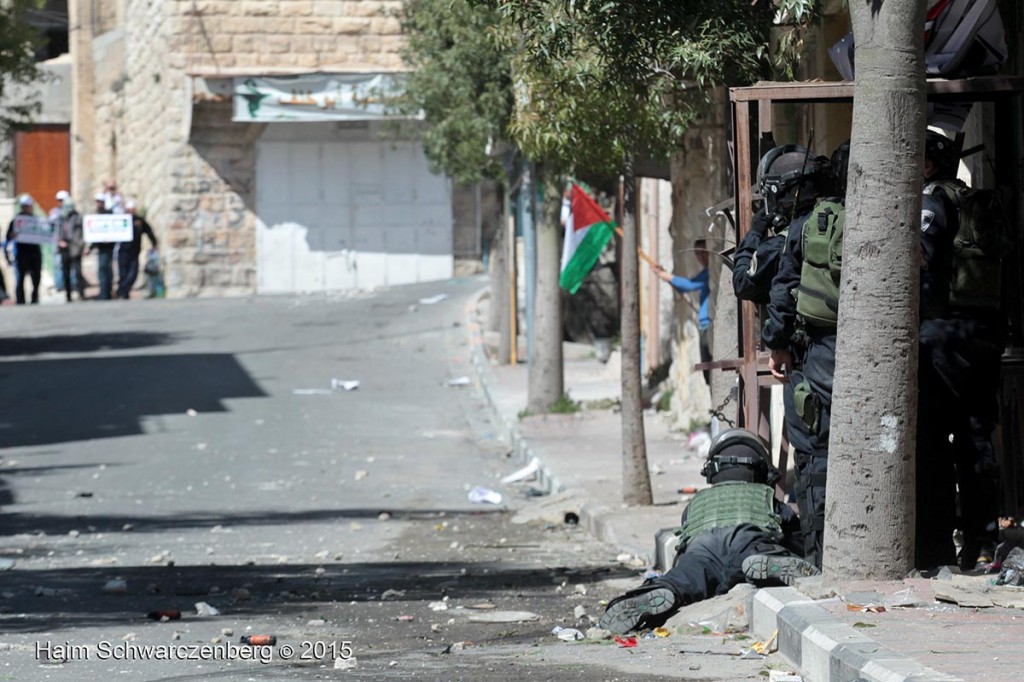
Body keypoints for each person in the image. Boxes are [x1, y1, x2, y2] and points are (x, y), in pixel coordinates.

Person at [599, 429, 818, 634]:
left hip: (703, 549)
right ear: (761, 469)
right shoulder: (766, 496)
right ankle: (768, 564)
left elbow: (685, 538)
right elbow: (794, 535)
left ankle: (660, 591)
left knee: (684, 579)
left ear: (712, 472)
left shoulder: (696, 502)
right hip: (749, 543)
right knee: (762, 557)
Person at [916, 129, 1005, 570]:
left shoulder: (931, 203)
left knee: (932, 443)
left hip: (941, 336)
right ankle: (982, 543)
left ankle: (934, 546)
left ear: (929, 164)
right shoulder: (975, 203)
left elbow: (920, 258)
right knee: (976, 439)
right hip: (983, 334)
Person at [758, 144, 839, 568]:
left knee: (814, 454)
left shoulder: (807, 227)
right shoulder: (869, 214)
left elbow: (782, 292)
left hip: (817, 354)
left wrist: (777, 343)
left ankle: (820, 555)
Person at [652, 239, 712, 383]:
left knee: (710, 369)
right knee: (707, 371)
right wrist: (666, 276)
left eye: (704, 252)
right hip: (704, 326)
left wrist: (666, 276)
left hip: (709, 326)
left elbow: (688, 285)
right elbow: (686, 284)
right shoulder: (705, 273)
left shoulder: (710, 273)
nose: (701, 256)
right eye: (697, 253)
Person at [4, 195, 43, 304]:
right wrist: (13, 235)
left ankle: (34, 298)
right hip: (22, 253)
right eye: (24, 206)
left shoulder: (36, 220)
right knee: (20, 278)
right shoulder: (16, 221)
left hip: (35, 252)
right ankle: (20, 300)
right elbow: (8, 236)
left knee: (36, 278)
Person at [117, 201, 158, 300]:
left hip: (134, 251)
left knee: (133, 274)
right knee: (123, 273)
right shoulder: (121, 220)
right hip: (122, 250)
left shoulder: (139, 221)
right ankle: (124, 293)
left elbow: (148, 231)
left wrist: (154, 243)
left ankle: (122, 289)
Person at [55, 190, 85, 302]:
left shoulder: (77, 217)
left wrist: (81, 245)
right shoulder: (60, 217)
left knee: (77, 271)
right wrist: (59, 241)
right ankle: (68, 295)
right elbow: (57, 231)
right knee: (65, 272)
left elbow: (82, 233)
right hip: (64, 247)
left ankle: (81, 293)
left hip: (75, 247)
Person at [87, 193, 116, 300]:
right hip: (100, 247)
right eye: (97, 201)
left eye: (100, 201)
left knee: (107, 269)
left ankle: (107, 292)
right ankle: (104, 293)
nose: (98, 204)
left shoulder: (109, 215)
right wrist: (90, 248)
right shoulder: (95, 216)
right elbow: (94, 234)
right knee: (103, 269)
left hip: (109, 247)